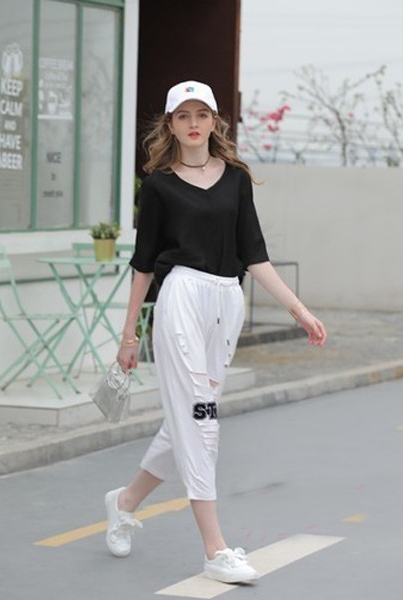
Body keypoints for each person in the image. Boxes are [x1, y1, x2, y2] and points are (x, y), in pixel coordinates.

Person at [105, 80, 327, 584]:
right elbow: (144, 264)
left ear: (213, 121)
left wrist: (298, 309)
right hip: (182, 297)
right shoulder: (159, 186)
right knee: (202, 422)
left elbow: (255, 254)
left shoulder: (236, 179)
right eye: (182, 116)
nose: (193, 124)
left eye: (200, 114)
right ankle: (216, 549)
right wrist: (129, 335)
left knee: (188, 417)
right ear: (170, 124)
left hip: (227, 301)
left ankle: (124, 502)